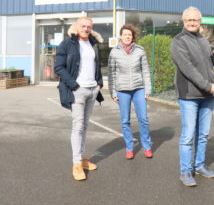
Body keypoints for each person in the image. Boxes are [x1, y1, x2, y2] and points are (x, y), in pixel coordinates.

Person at [171, 6, 214, 187]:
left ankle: (199, 165)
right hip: (189, 96)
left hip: (207, 95)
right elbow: (188, 69)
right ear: (184, 21)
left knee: (204, 134)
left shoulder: (203, 40)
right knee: (188, 135)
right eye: (188, 20)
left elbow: (206, 64)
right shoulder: (178, 41)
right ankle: (185, 171)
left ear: (200, 21)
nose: (192, 22)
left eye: (195, 20)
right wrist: (208, 86)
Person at [54, 17, 104, 181]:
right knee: (78, 125)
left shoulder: (93, 43)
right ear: (76, 27)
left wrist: (99, 84)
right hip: (77, 90)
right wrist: (74, 85)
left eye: (89, 26)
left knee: (85, 125)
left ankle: (82, 158)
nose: (86, 29)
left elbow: (97, 65)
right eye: (83, 26)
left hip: (92, 90)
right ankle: (76, 163)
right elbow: (59, 67)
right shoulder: (67, 44)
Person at [108, 24, 153, 159]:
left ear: (133, 37)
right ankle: (129, 148)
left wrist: (147, 88)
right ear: (121, 36)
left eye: (130, 34)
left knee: (143, 119)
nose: (127, 36)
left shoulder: (140, 50)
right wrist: (113, 92)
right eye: (125, 34)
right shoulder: (114, 52)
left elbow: (145, 70)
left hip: (139, 88)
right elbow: (111, 74)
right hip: (122, 90)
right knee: (125, 120)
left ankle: (147, 147)